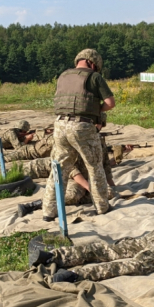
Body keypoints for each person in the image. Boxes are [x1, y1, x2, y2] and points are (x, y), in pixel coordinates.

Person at [41, 49, 115, 220]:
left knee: (59, 170)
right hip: (82, 127)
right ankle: (102, 207)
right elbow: (110, 103)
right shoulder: (94, 77)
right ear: (93, 63)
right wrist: (96, 111)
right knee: (95, 167)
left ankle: (49, 211)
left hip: (59, 125)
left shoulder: (63, 76)